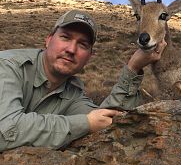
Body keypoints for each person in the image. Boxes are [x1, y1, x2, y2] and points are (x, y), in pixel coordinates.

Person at [0, 10, 166, 151]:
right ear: (49, 39)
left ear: (89, 57)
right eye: (65, 37)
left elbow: (107, 119)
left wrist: (133, 68)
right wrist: (84, 123)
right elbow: (6, 129)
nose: (71, 50)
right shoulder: (8, 67)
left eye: (83, 44)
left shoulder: (72, 94)